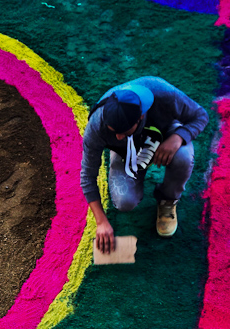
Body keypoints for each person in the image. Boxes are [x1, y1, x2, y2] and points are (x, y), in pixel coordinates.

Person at [81, 76, 209, 253]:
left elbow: (201, 115)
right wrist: (101, 221)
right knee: (124, 202)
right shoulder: (97, 125)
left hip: (166, 133)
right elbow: (87, 176)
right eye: (113, 132)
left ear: (141, 117)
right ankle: (125, 162)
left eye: (123, 131)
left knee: (183, 158)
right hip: (127, 151)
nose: (117, 136)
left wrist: (179, 137)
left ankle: (168, 200)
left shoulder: (165, 95)